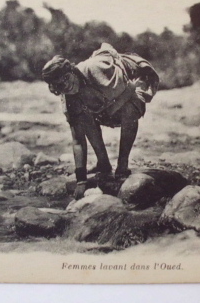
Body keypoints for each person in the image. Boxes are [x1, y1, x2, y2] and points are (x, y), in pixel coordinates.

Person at [42, 43, 159, 199]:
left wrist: (106, 111)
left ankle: (122, 166)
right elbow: (77, 140)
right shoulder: (68, 99)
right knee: (83, 117)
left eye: (67, 78)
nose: (67, 86)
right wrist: (81, 180)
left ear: (71, 70)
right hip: (107, 101)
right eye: (60, 85)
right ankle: (103, 164)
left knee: (129, 110)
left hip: (133, 83)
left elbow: (130, 89)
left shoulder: (93, 68)